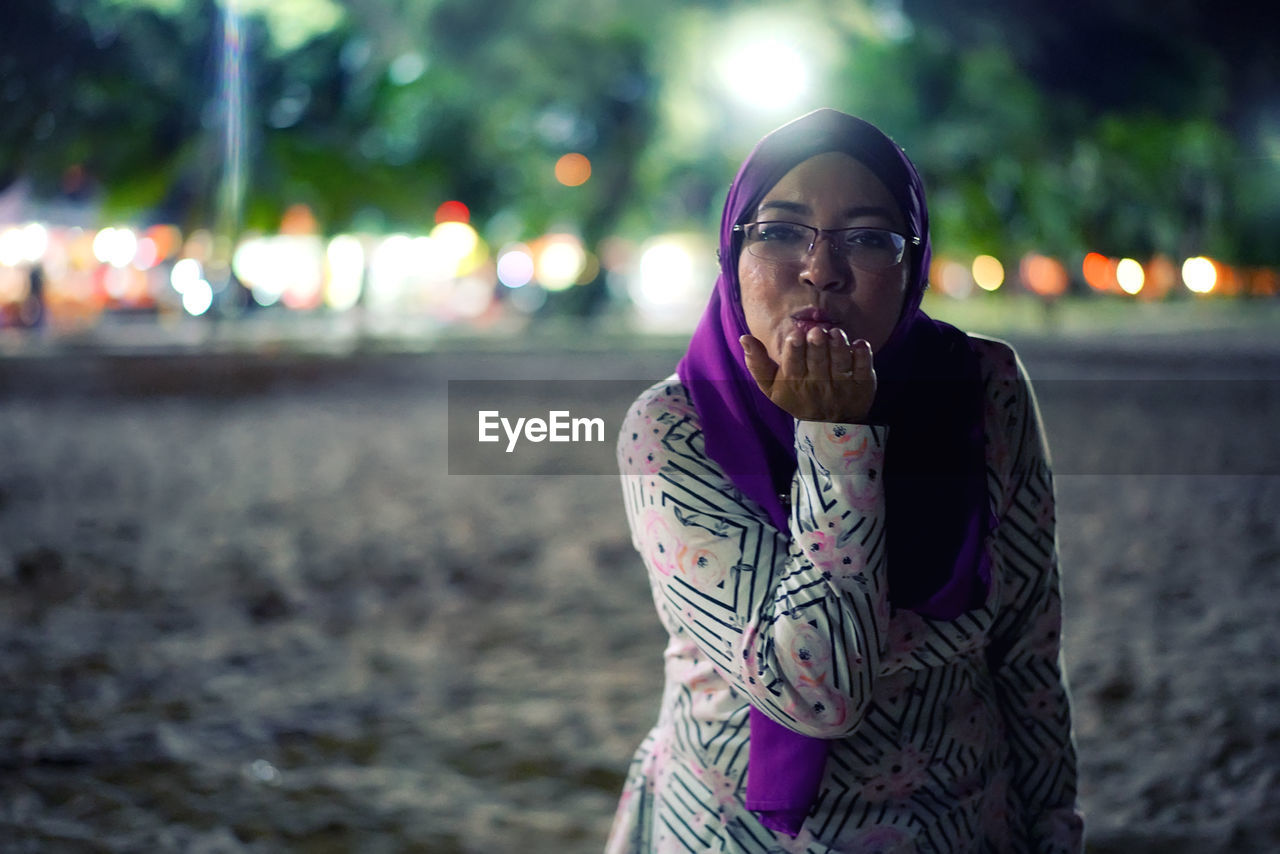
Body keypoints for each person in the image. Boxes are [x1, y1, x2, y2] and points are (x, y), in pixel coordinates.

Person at [608, 109, 1084, 853]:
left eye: (867, 237)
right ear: (732, 253)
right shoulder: (673, 428)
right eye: (781, 230)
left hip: (962, 828)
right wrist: (837, 440)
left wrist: (1055, 832)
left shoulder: (981, 389)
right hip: (731, 830)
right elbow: (814, 693)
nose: (821, 270)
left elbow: (1026, 654)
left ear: (913, 265)